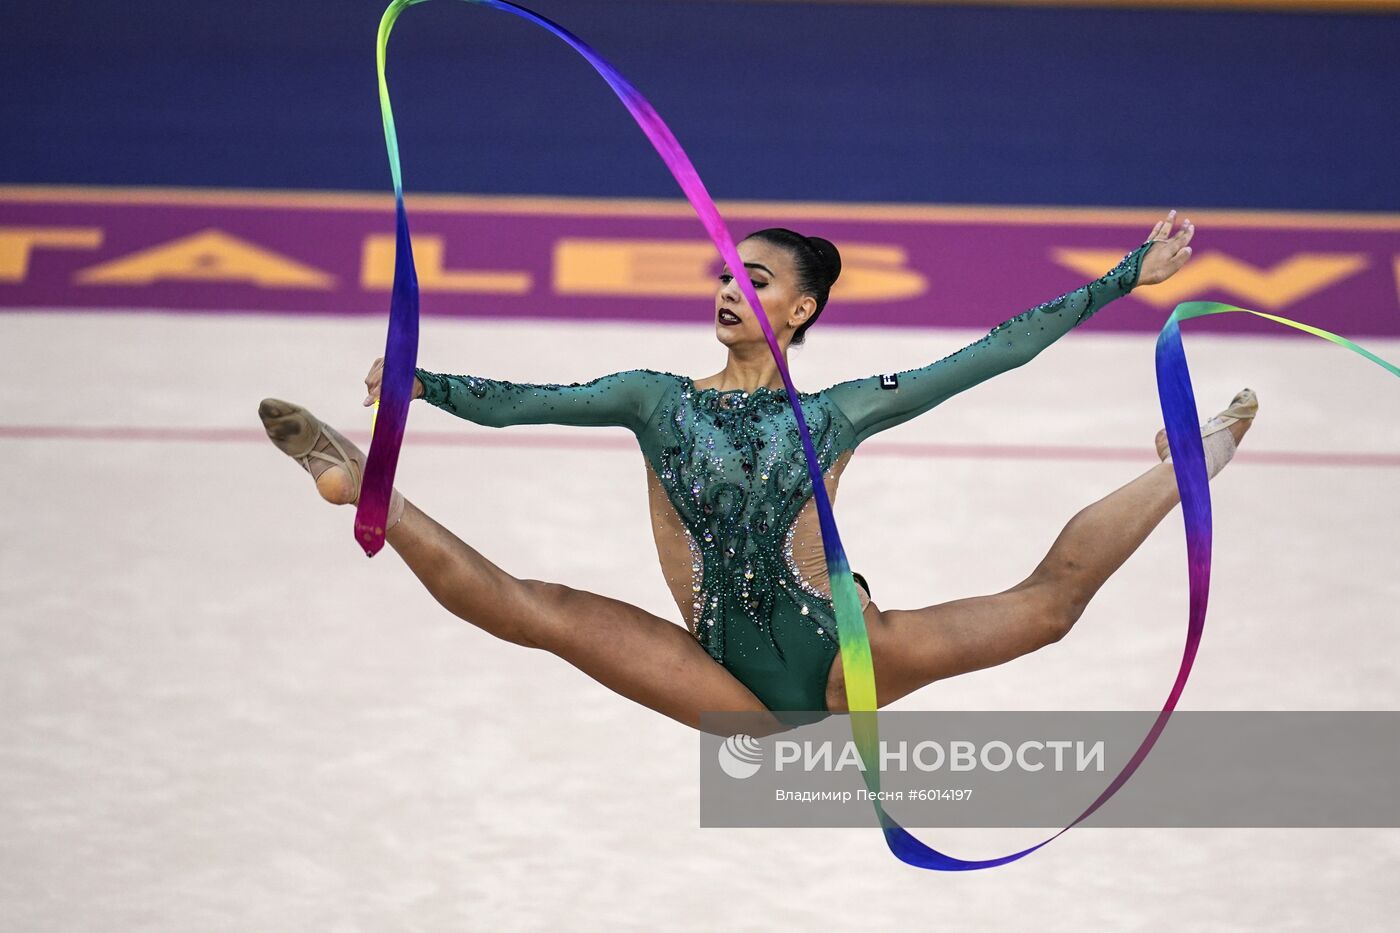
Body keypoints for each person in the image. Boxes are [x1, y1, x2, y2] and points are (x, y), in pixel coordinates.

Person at [259, 210, 1255, 731]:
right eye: (722, 275)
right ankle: (362, 482)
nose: (729, 289)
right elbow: (528, 404)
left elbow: (990, 352)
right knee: (534, 610)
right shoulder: (654, 397)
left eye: (756, 279)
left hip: (837, 660)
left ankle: (1187, 464)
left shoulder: (837, 412)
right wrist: (421, 384)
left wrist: (1125, 276)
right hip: (718, 675)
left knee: (1046, 609)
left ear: (802, 308)